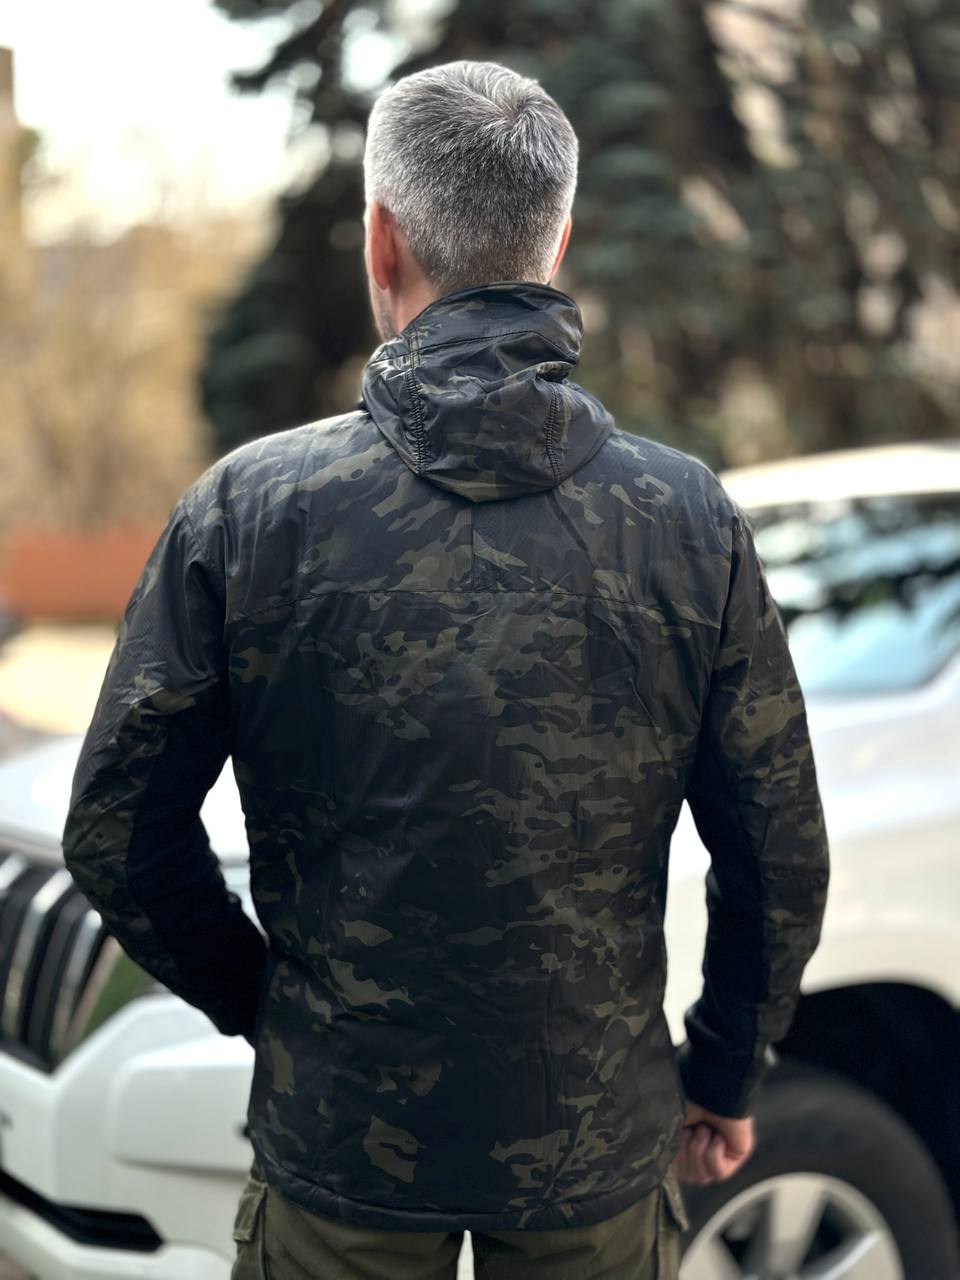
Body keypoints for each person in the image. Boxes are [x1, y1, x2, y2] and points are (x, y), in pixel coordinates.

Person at [62, 59, 830, 1280]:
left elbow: (116, 830)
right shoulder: (688, 521)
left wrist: (276, 1008)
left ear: (381, 240)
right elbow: (777, 851)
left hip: (342, 1150)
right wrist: (727, 1068)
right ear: (557, 243)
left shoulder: (246, 512)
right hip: (595, 1151)